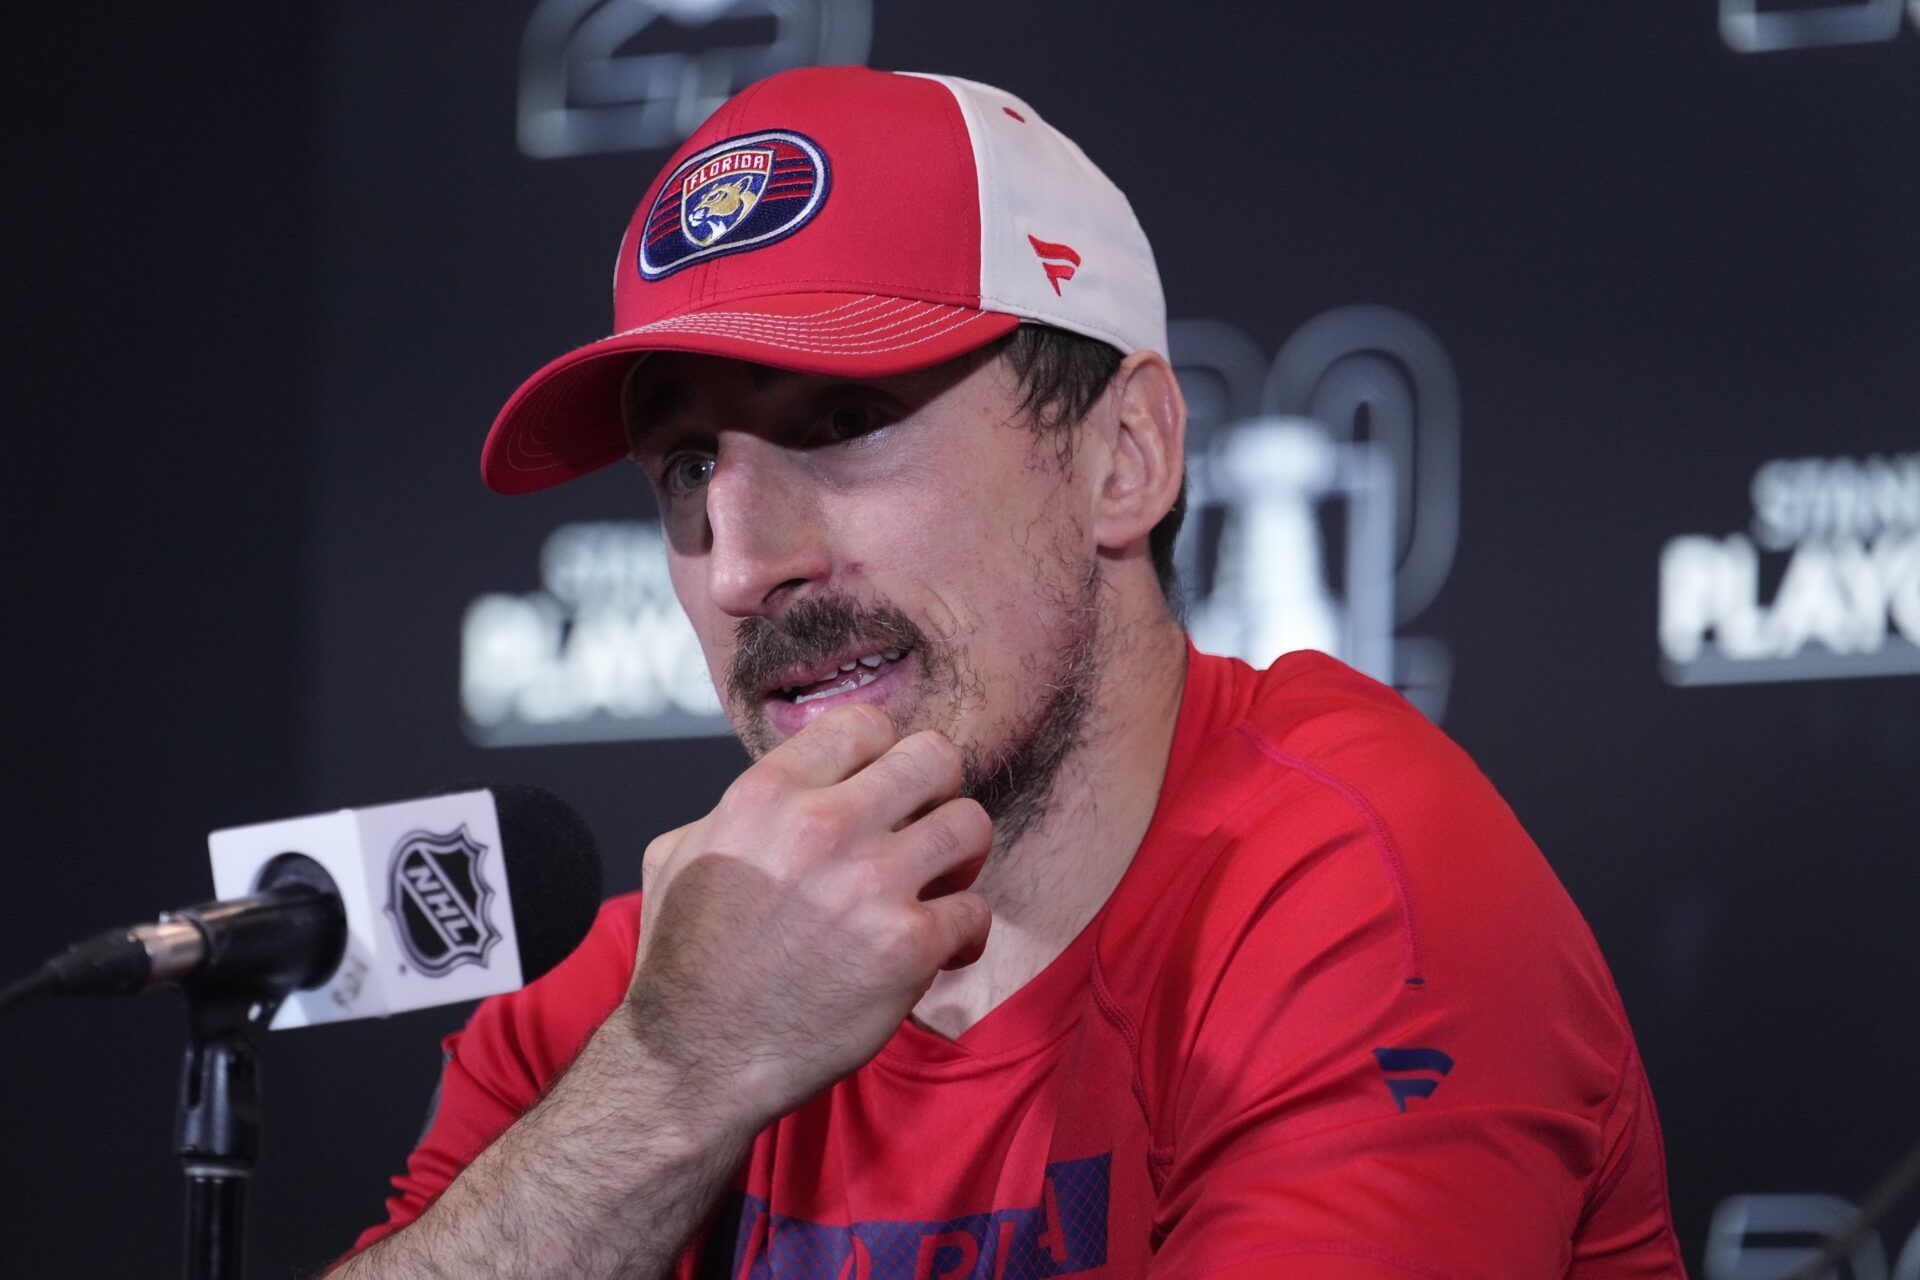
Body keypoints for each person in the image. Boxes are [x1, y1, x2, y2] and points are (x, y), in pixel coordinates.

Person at [335, 66, 1683, 1278]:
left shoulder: (1355, 890)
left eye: (845, 422)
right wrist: (674, 1084)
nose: (741, 565)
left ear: (1125, 457)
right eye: (688, 468)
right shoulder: (650, 997)